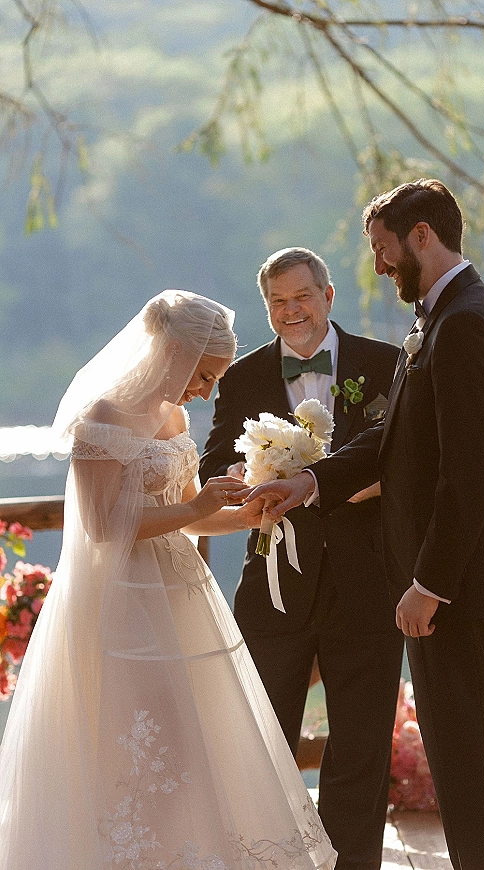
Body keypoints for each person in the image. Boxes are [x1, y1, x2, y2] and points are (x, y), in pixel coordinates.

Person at [243, 183, 484, 870]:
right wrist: (311, 480)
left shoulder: (465, 321)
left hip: (456, 585)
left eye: (383, 248)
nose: (379, 264)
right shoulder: (440, 318)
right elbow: (393, 442)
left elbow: (470, 472)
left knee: (473, 753)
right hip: (445, 581)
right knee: (459, 751)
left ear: (423, 236)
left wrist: (430, 583)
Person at [0, 290, 337, 870]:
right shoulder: (102, 419)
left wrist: (245, 514)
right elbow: (105, 526)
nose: (206, 391)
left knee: (190, 742)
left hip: (180, 598)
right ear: (175, 352)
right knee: (132, 743)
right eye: (204, 375)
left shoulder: (174, 417)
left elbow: (191, 513)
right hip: (120, 603)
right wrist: (192, 508)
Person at [199, 248, 404, 870]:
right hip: (271, 586)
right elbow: (211, 465)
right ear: (267, 309)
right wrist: (246, 474)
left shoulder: (386, 364)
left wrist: (318, 481)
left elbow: (400, 460)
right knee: (262, 742)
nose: (292, 312)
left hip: (367, 583)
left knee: (362, 747)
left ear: (329, 296)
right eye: (278, 303)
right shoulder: (242, 375)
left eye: (302, 297)